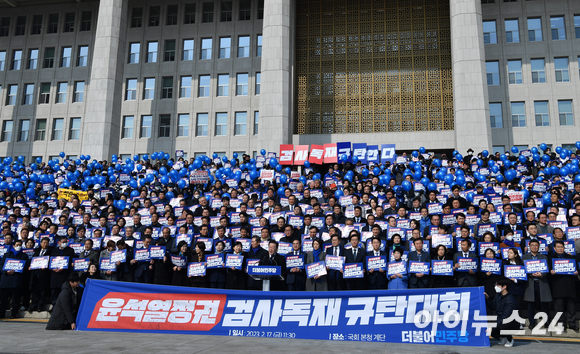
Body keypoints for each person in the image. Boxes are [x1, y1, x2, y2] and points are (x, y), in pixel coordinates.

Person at [549, 240, 578, 331]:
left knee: (571, 306)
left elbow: (577, 269)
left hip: (569, 284)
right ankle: (561, 324)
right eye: (558, 247)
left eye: (561, 247)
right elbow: (547, 272)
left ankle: (572, 323)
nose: (560, 249)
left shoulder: (571, 257)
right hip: (557, 285)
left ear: (564, 248)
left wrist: (576, 272)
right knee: (558, 306)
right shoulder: (550, 258)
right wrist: (551, 272)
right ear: (554, 248)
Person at [522, 239, 552, 329]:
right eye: (532, 245)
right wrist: (531, 274)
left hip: (542, 282)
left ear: (538, 247)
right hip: (530, 283)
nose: (534, 247)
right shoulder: (525, 257)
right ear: (529, 246)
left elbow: (548, 269)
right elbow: (523, 269)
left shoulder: (544, 257)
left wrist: (541, 274)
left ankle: (546, 322)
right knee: (531, 304)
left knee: (544, 304)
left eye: (536, 245)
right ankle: (532, 322)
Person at [0, 240, 29, 319]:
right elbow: (1, 265)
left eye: (20, 245)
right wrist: (6, 271)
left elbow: (25, 267)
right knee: (3, 299)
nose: (18, 246)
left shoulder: (24, 256)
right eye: (17, 245)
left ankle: (14, 314)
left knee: (15, 300)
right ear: (13, 246)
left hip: (16, 280)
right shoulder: (7, 255)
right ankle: (2, 314)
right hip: (6, 280)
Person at [488, 277, 519, 347]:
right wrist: (487, 298)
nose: (495, 287)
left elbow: (506, 316)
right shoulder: (498, 295)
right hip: (500, 320)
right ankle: (503, 337)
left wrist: (492, 326)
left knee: (502, 325)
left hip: (511, 323)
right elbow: (492, 307)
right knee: (487, 325)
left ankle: (510, 339)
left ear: (504, 287)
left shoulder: (510, 300)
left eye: (497, 285)